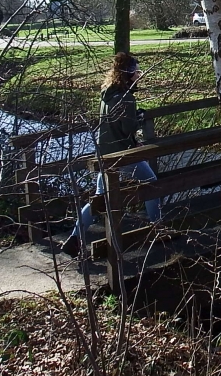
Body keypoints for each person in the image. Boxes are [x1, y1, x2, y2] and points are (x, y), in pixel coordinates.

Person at [61, 53, 161, 258]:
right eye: (137, 72)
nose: (139, 76)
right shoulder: (127, 99)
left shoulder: (107, 93)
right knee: (152, 184)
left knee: (100, 198)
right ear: (129, 74)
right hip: (122, 154)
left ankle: (74, 238)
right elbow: (127, 129)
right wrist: (138, 118)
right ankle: (157, 228)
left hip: (104, 153)